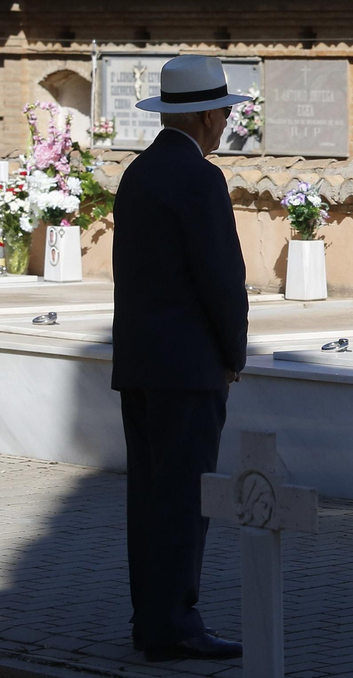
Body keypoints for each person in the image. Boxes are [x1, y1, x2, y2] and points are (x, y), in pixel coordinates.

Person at [112, 54, 250, 662]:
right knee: (186, 501)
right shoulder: (200, 178)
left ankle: (153, 619)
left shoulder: (138, 173)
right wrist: (233, 354)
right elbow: (221, 278)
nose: (224, 126)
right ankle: (175, 624)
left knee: (149, 501)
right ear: (207, 117)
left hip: (141, 364)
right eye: (223, 115)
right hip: (189, 369)